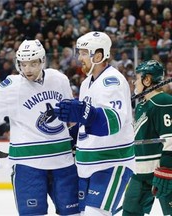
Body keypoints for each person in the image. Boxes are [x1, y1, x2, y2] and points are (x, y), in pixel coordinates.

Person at [0, 39, 80, 215]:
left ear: (42, 61)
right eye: (24, 64)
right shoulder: (10, 87)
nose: (28, 69)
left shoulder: (59, 79)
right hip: (28, 165)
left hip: (62, 161)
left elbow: (72, 115)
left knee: (74, 213)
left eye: (33, 63)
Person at [53, 31, 135, 216]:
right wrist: (69, 136)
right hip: (86, 164)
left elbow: (113, 122)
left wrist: (85, 113)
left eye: (83, 53)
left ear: (98, 56)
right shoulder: (86, 84)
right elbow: (86, 125)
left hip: (111, 162)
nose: (79, 58)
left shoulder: (112, 81)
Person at [122, 60, 172, 216]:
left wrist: (166, 170)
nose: (134, 83)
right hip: (141, 173)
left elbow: (170, 139)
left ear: (147, 80)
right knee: (130, 211)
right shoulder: (142, 104)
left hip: (162, 173)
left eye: (136, 78)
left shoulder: (163, 101)